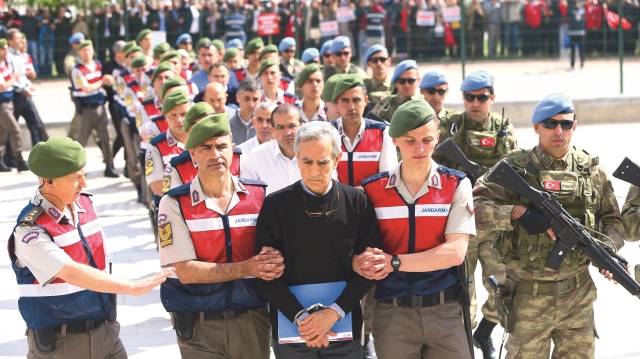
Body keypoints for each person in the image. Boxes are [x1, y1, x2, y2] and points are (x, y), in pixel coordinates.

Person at [472, 93, 625, 359]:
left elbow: (612, 221)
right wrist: (517, 213)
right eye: (550, 123)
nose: (559, 130)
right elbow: (473, 209)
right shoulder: (515, 167)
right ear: (535, 127)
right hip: (528, 298)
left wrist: (607, 252)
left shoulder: (591, 171)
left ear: (574, 126)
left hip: (578, 299)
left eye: (566, 124)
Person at [9, 137, 174, 358]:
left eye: (84, 174)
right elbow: (71, 272)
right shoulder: (30, 230)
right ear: (49, 181)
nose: (84, 183)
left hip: (106, 333)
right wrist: (131, 287)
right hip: (61, 345)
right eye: (75, 178)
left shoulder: (85, 204)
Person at [357, 99, 475, 359]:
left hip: (445, 312)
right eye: (410, 141)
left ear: (438, 137)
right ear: (395, 140)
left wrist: (394, 263)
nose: (419, 148)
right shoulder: (371, 191)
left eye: (427, 140)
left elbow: (455, 252)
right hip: (392, 315)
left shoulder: (456, 185)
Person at [158, 115, 283, 358]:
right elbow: (186, 271)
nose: (215, 154)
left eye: (221, 146)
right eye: (206, 148)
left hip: (252, 318)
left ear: (233, 151)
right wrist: (248, 267)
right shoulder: (174, 203)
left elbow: (275, 253)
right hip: (198, 323)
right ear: (193, 155)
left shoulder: (260, 195)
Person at [255, 120, 382, 358]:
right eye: (306, 161)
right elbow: (265, 273)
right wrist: (303, 319)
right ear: (296, 157)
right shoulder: (275, 205)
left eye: (323, 162)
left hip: (343, 326)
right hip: (292, 328)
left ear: (337, 158)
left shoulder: (357, 202)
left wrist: (333, 313)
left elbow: (369, 268)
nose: (314, 171)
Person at [433, 69, 517, 358]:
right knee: (461, 291)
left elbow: (516, 174)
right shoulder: (452, 127)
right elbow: (432, 167)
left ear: (492, 98)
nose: (476, 103)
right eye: (470, 97)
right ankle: (467, 344)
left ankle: (485, 332)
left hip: (494, 223)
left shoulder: (504, 130)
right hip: (460, 221)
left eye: (482, 97)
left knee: (503, 285)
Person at [331, 74, 397, 188]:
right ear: (337, 103)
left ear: (366, 100)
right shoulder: (327, 133)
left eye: (356, 100)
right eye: (345, 100)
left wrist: (358, 195)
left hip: (372, 204)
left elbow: (388, 177)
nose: (351, 106)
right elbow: (326, 179)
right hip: (336, 204)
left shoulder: (383, 132)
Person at [70, 40, 118, 178]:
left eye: (89, 49)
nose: (87, 53)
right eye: (83, 50)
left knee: (107, 138)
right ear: (78, 52)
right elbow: (85, 88)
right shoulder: (77, 70)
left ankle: (109, 165)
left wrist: (107, 80)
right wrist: (102, 81)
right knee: (81, 140)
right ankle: (76, 169)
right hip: (86, 109)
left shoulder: (97, 65)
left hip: (100, 106)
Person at [240, 104, 303, 195]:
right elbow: (248, 196)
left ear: (302, 126)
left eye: (291, 126)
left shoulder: (315, 153)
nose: (287, 132)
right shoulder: (255, 157)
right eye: (280, 127)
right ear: (273, 130)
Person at [145, 90, 191, 197]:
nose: (179, 120)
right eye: (173, 115)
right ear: (165, 117)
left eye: (183, 114)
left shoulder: (202, 140)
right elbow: (157, 186)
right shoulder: (156, 147)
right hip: (173, 205)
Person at [0, 38, 27, 172]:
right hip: (2, 106)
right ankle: (19, 159)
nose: (6, 51)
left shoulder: (3, 63)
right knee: (15, 130)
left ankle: (1, 161)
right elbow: (3, 85)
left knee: (2, 132)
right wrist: (14, 78)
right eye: (3, 49)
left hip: (7, 102)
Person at [230, 77, 262, 145]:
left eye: (255, 99)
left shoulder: (266, 126)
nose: (251, 104)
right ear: (237, 98)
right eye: (247, 99)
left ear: (260, 99)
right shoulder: (228, 126)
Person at [363, 44, 391, 109]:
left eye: (382, 59)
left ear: (389, 61)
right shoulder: (363, 85)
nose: (379, 63)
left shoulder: (398, 84)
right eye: (374, 60)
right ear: (368, 63)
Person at [567, 0, 586, 69]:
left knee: (581, 49)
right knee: (573, 50)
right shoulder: (571, 11)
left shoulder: (582, 11)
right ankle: (572, 64)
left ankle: (582, 63)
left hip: (580, 32)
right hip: (573, 33)